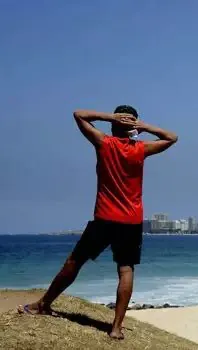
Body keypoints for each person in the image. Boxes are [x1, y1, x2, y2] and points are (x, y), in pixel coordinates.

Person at [18, 105, 178, 340]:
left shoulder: (104, 142)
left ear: (114, 125)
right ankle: (116, 328)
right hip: (131, 221)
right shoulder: (141, 149)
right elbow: (172, 137)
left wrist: (109, 117)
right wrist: (142, 127)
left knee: (75, 261)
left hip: (104, 218)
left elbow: (78, 114)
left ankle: (44, 304)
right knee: (126, 269)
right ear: (133, 128)